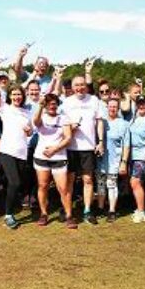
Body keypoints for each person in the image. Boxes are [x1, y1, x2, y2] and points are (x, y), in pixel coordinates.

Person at [61, 74, 104, 224]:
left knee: (88, 179)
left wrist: (101, 141)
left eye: (82, 84)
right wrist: (70, 128)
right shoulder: (66, 102)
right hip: (71, 146)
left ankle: (87, 210)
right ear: (72, 87)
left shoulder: (94, 100)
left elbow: (99, 122)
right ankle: (68, 210)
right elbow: (62, 125)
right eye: (76, 85)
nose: (79, 88)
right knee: (69, 180)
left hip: (88, 146)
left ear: (86, 86)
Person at [0, 80, 33, 228]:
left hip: (21, 153)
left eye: (19, 94)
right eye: (14, 94)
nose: (17, 97)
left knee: (13, 184)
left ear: (23, 96)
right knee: (15, 182)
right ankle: (8, 215)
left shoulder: (27, 112)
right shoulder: (5, 108)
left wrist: (29, 131)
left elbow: (30, 132)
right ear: (9, 96)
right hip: (6, 151)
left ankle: (1, 209)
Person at [32, 91, 76, 227]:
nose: (52, 106)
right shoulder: (41, 116)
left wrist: (54, 149)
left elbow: (68, 137)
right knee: (43, 186)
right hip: (41, 156)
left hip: (59, 157)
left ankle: (69, 216)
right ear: (45, 105)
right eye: (49, 103)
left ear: (57, 105)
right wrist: (39, 106)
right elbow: (36, 122)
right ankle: (43, 214)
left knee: (63, 188)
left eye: (54, 103)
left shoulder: (64, 118)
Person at [97, 97, 130, 221]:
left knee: (111, 185)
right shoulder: (101, 122)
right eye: (110, 106)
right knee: (100, 185)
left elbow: (126, 145)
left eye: (115, 107)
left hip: (114, 161)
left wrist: (124, 162)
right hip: (100, 161)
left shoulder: (123, 124)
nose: (112, 109)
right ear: (107, 107)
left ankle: (111, 210)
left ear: (118, 108)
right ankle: (100, 208)